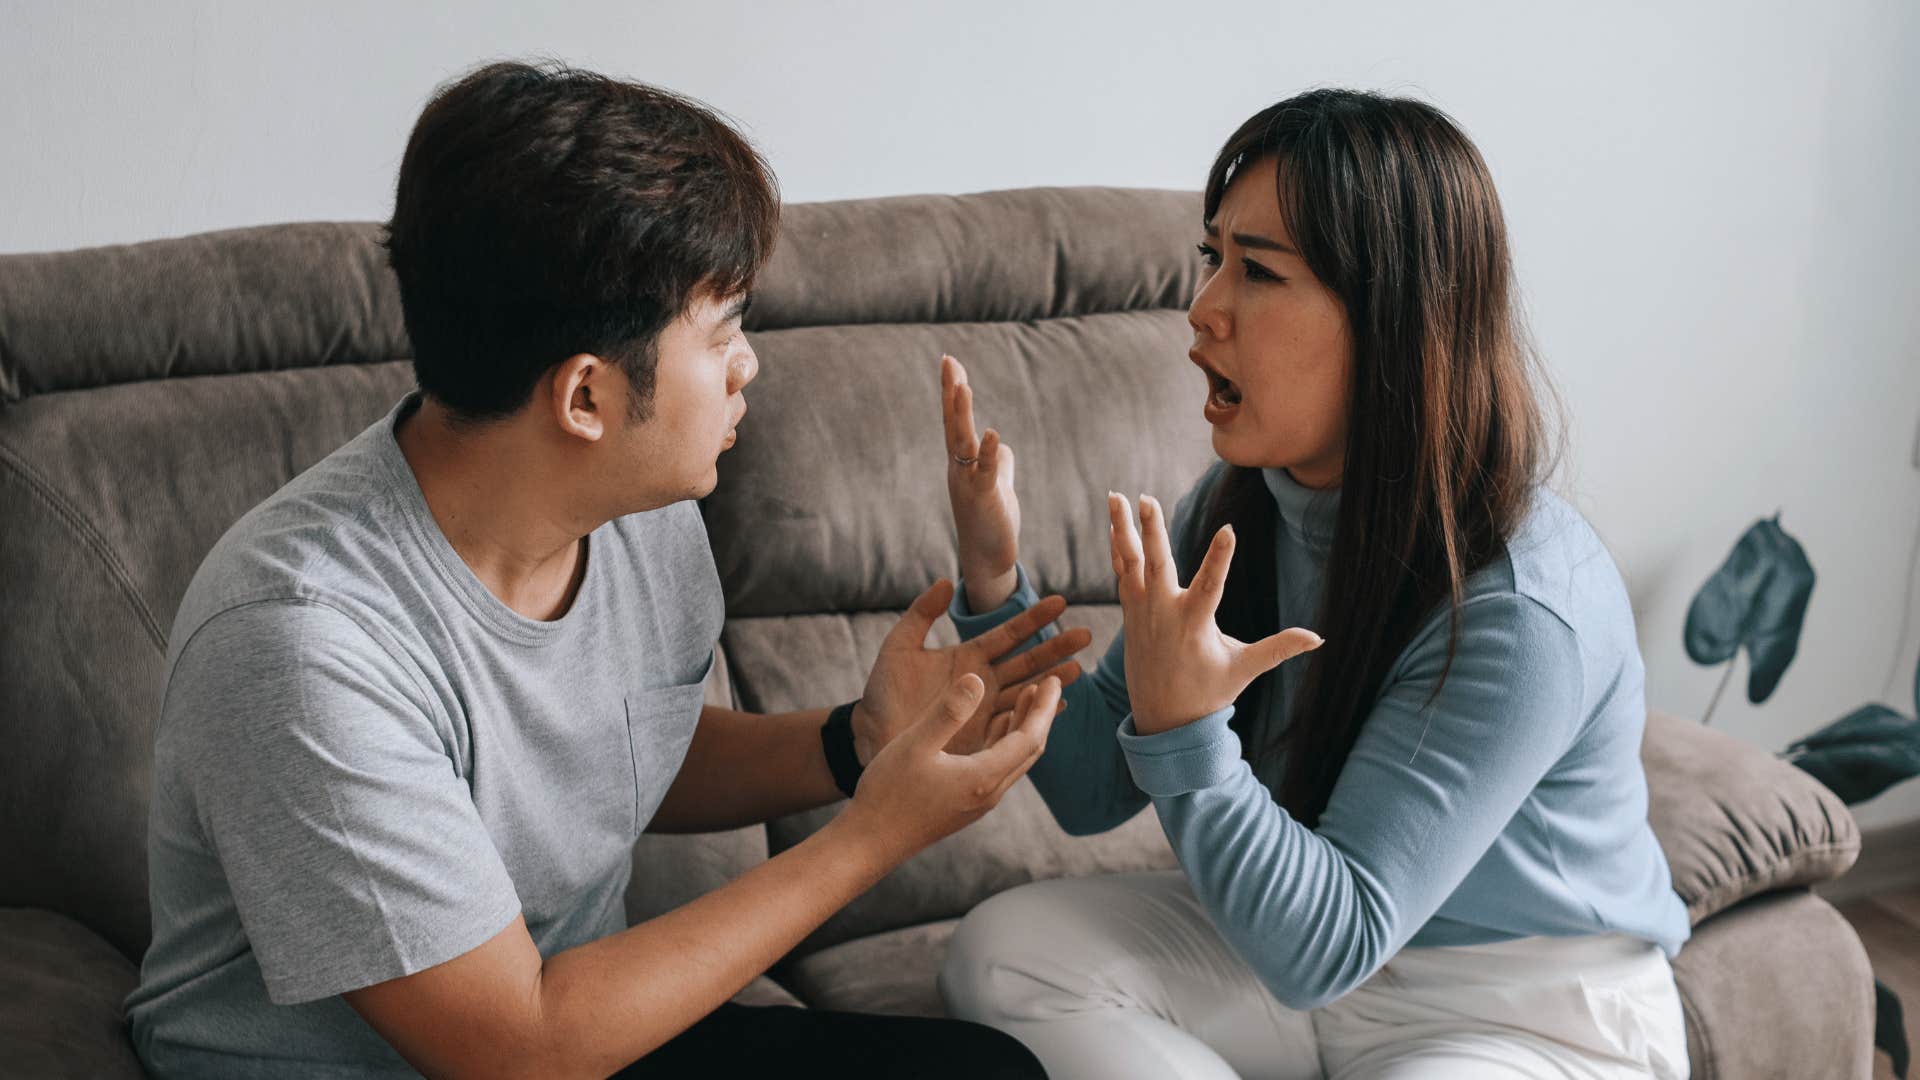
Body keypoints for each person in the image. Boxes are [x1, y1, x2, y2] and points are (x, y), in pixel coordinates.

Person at [124, 60, 1086, 1079]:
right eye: (721, 334)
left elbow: (606, 754)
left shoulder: (638, 513)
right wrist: (871, 837)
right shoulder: (303, 641)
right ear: (585, 398)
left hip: (588, 1025)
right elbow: (515, 1048)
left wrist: (856, 743)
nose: (748, 365)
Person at [935, 89, 1692, 1079]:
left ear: (1393, 315)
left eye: (1258, 271)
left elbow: (1328, 942)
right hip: (1312, 959)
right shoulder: (1244, 503)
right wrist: (995, 579)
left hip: (1527, 1011)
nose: (1203, 308)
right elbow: (1083, 789)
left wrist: (1186, 734)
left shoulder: (1518, 605)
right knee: (1004, 955)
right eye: (1214, 257)